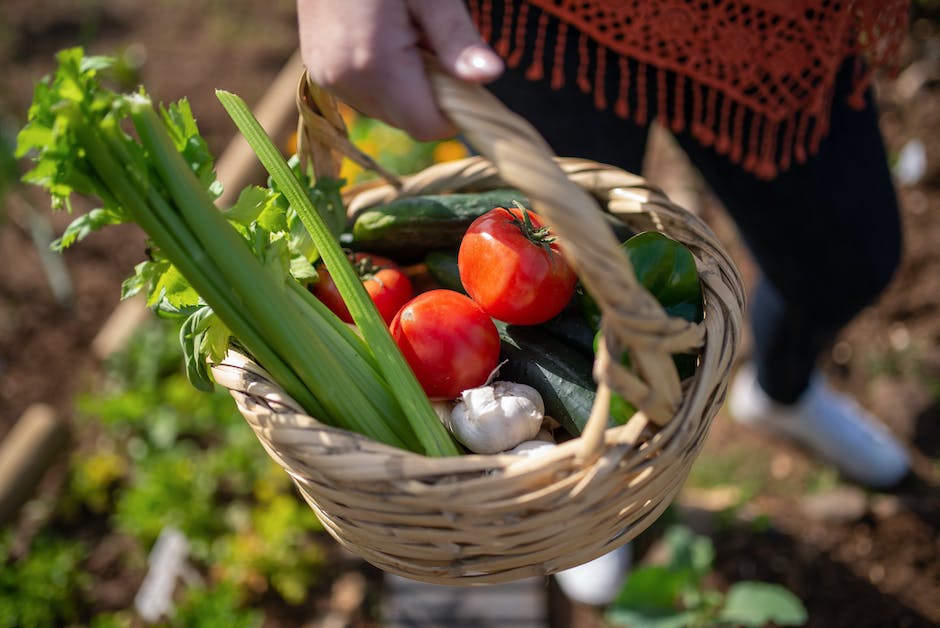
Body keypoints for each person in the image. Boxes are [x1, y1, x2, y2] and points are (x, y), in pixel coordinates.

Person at [296, 0, 911, 604]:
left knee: (852, 258)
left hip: (767, 21)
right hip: (547, 21)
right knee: (565, 195)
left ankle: (782, 390)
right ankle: (586, 487)